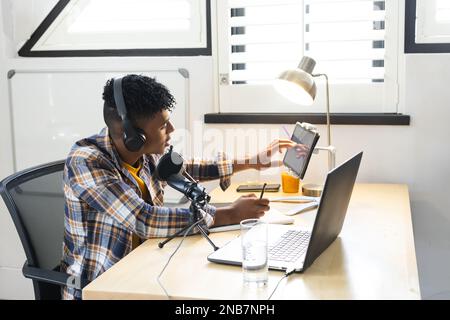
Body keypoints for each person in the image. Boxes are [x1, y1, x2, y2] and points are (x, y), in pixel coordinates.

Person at [61, 74, 306, 299]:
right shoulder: (87, 161)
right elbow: (144, 219)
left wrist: (251, 161)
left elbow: (183, 168)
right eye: (162, 126)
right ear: (133, 136)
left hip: (143, 267)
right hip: (100, 287)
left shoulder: (141, 153)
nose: (172, 130)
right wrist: (231, 214)